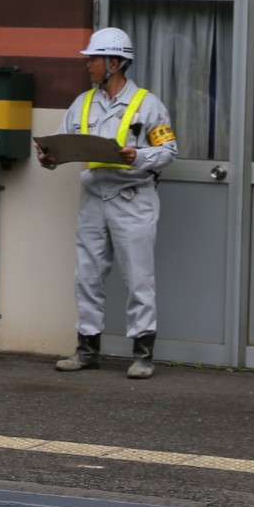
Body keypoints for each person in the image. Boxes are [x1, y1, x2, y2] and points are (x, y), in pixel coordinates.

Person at [35, 27, 177, 379]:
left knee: (138, 278)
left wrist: (138, 157)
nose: (88, 65)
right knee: (87, 275)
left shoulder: (148, 104)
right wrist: (50, 157)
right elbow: (61, 142)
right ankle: (87, 349)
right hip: (94, 196)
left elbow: (168, 152)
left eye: (94, 59)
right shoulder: (82, 103)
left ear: (114, 63)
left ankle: (143, 353)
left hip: (133, 198)